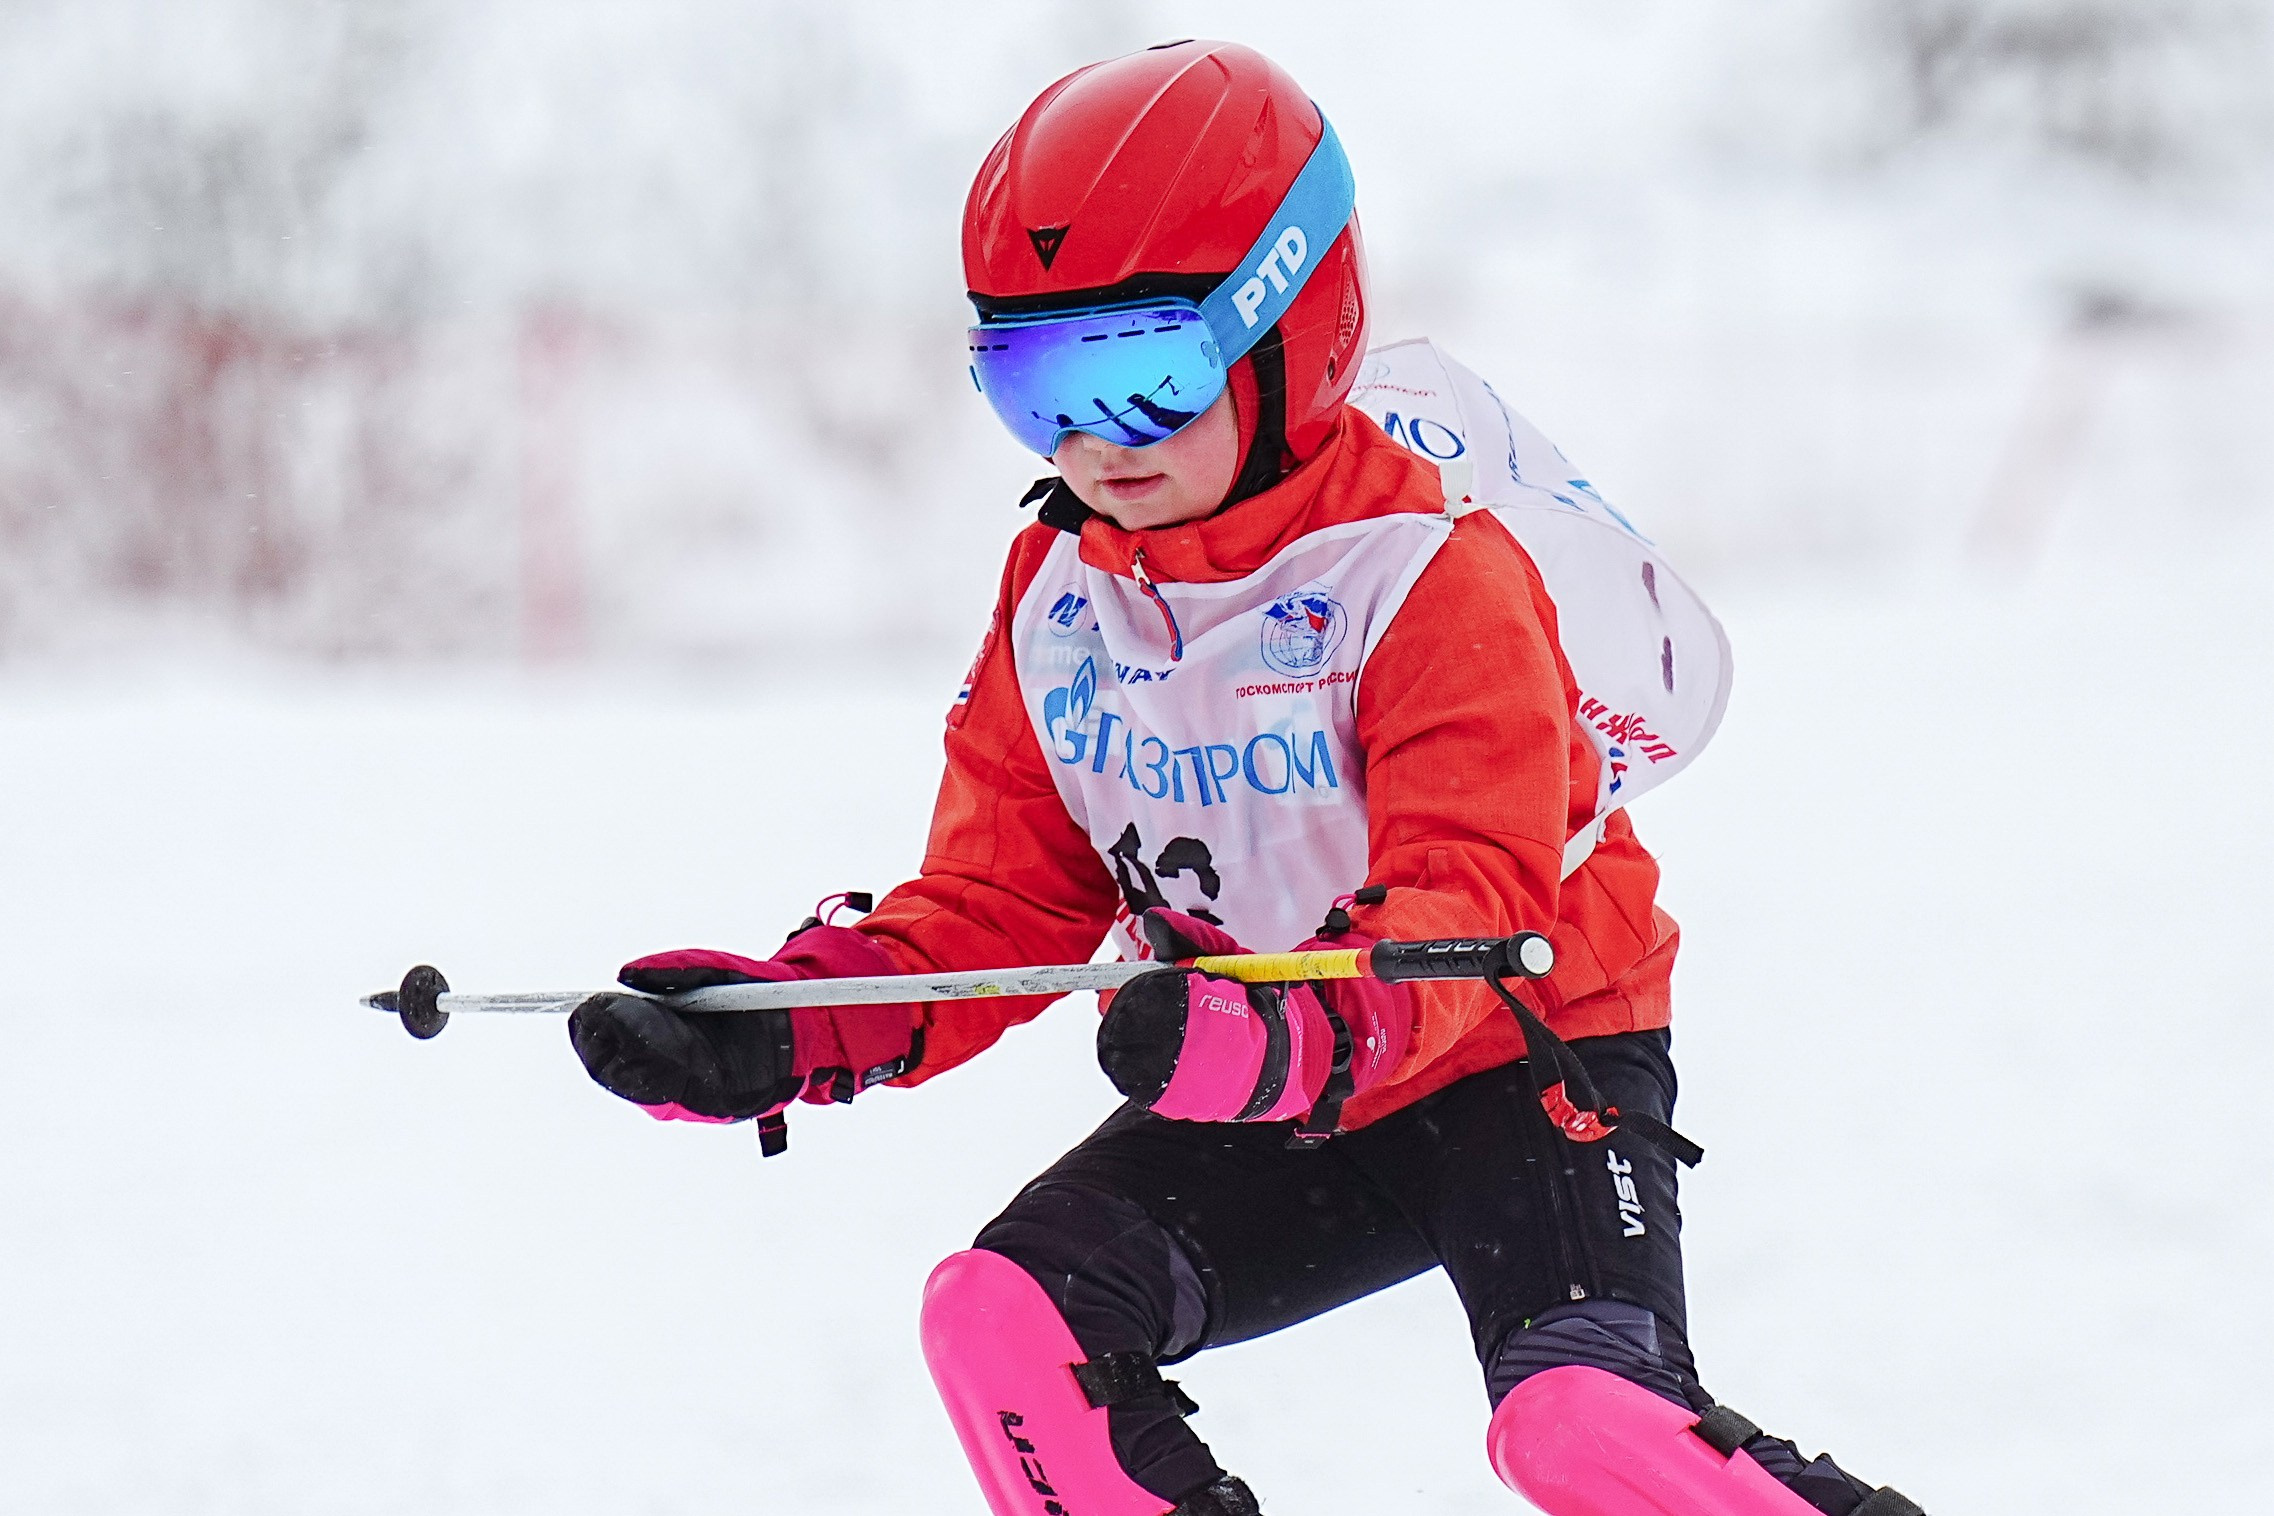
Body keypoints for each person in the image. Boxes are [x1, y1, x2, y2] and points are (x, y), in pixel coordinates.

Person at [564, 39, 1926, 1516]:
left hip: (1518, 1060)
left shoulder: (1430, 580)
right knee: (1001, 1321)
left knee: (1583, 1426)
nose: (1090, 441)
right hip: (1251, 1061)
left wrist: (1268, 1044)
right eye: (1030, 384)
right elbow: (1000, 897)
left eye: (1141, 376)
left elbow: (1461, 913)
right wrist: (796, 1027)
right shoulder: (1062, 595)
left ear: (1295, 327)